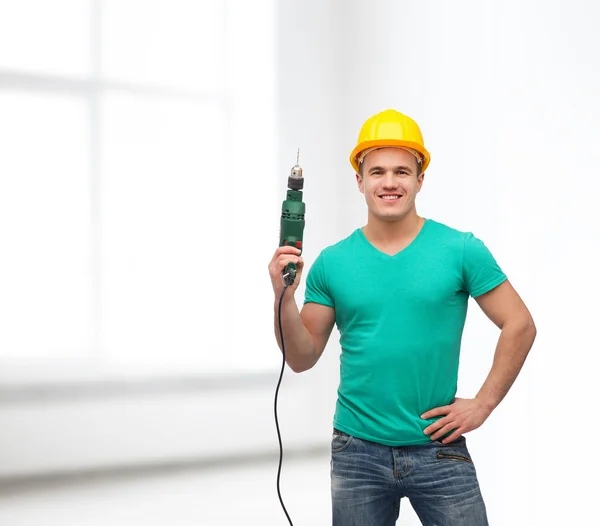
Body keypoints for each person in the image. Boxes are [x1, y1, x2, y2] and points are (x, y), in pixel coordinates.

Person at [268, 109, 537, 526]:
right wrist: (282, 296)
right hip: (357, 452)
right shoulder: (332, 263)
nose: (389, 182)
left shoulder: (460, 249)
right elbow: (301, 357)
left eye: (401, 171)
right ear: (359, 181)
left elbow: (519, 323)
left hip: (439, 448)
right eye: (377, 172)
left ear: (420, 179)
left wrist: (482, 405)